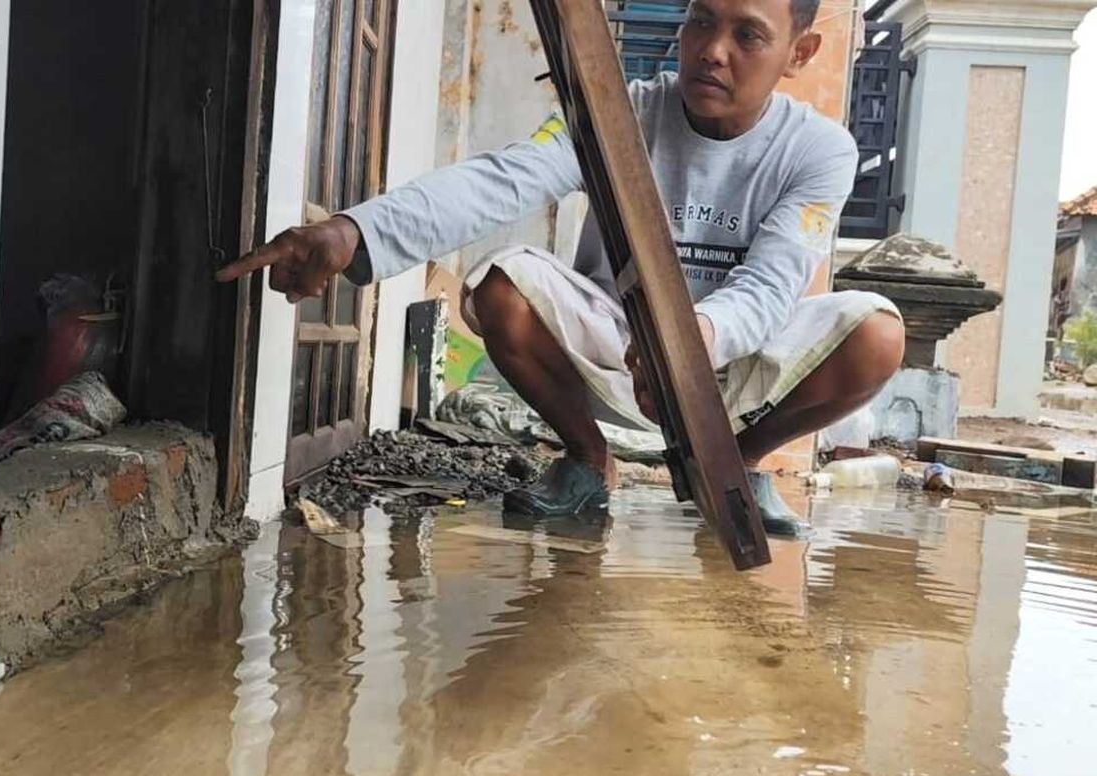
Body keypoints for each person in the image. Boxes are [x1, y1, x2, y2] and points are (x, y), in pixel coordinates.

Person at [218, 0, 905, 534]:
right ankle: (586, 457)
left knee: (877, 333)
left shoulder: (822, 150)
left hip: (736, 353)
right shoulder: (619, 113)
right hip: (614, 339)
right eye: (700, 21)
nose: (712, 51)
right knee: (502, 289)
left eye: (747, 35)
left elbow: (771, 284)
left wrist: (695, 336)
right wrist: (352, 232)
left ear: (799, 51)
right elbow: (503, 180)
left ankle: (735, 463)